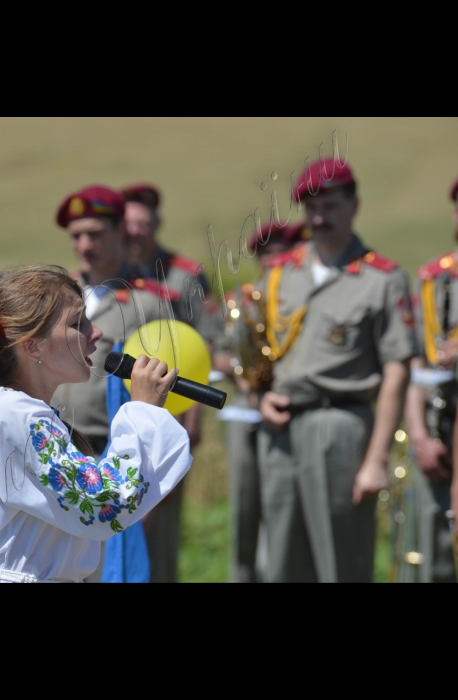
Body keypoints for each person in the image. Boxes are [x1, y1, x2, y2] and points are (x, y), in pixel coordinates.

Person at [0, 266, 193, 583]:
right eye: (78, 324)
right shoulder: (16, 415)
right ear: (32, 345)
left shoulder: (8, 411)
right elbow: (100, 502)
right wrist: (144, 411)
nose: (97, 333)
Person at [256, 158, 417, 583]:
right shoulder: (280, 274)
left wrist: (377, 458)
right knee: (280, 564)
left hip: (341, 424)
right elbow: (249, 348)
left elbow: (397, 369)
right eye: (311, 209)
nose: (320, 218)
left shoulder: (381, 279)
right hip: (280, 428)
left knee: (340, 564)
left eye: (330, 205)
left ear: (354, 204)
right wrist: (257, 394)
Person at [51, 185, 173, 583]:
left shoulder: (149, 304)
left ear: (121, 231)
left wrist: (148, 486)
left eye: (95, 234)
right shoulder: (57, 297)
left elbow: (162, 397)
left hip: (114, 456)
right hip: (61, 456)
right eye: (76, 235)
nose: (84, 245)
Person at [121, 182, 224, 582]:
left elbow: (204, 347)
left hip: (171, 412)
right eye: (128, 223)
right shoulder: (110, 274)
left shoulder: (184, 275)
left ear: (157, 224)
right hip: (115, 410)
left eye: (143, 223)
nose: (135, 232)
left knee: (158, 524)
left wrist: (192, 415)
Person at [215, 221, 308, 583]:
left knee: (284, 511)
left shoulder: (296, 298)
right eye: (266, 256)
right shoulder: (243, 300)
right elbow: (221, 354)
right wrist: (247, 374)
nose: (273, 262)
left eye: (280, 254)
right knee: (245, 506)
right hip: (246, 413)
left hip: (286, 413)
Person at [405, 176, 458, 583]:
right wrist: (420, 436)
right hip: (438, 426)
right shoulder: (435, 280)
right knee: (430, 553)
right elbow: (417, 365)